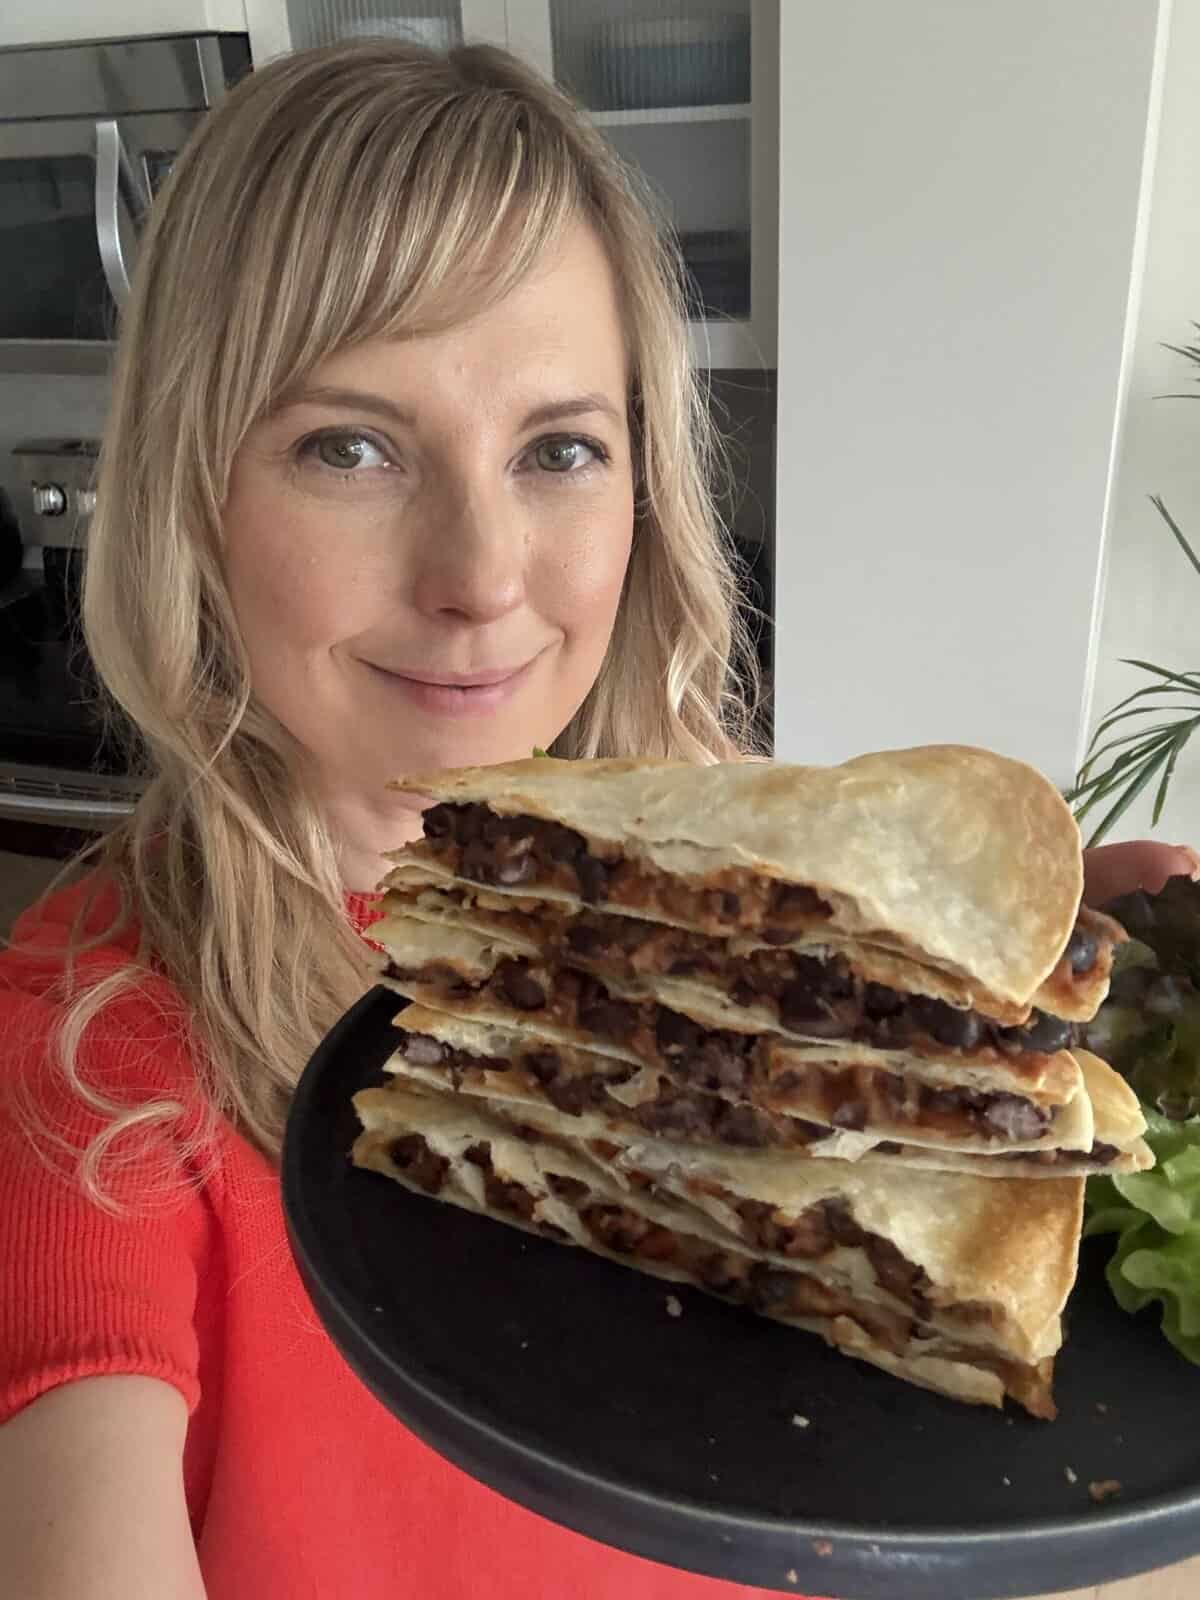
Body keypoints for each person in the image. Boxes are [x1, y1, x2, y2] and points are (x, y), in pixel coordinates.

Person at [0, 40, 1192, 1600]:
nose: (482, 576)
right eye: (347, 447)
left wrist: (969, 1027)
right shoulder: (91, 1047)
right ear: (187, 499)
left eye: (559, 448)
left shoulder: (705, 887)